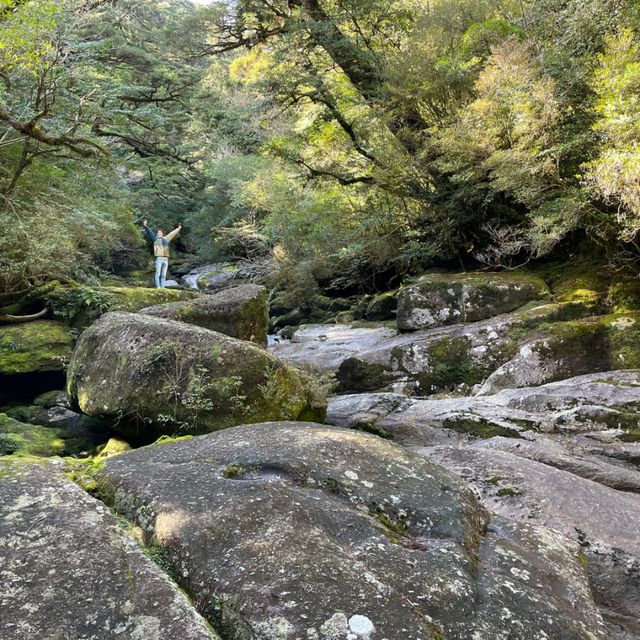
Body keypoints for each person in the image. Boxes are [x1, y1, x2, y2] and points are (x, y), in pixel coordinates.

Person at [142, 219, 182, 288]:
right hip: (159, 259)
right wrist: (145, 226)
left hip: (165, 259)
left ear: (162, 233)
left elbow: (172, 233)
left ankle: (163, 287)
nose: (159, 233)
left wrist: (178, 228)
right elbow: (150, 232)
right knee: (158, 274)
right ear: (157, 234)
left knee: (163, 275)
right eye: (158, 233)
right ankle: (158, 287)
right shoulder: (155, 239)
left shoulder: (166, 239)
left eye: (160, 233)